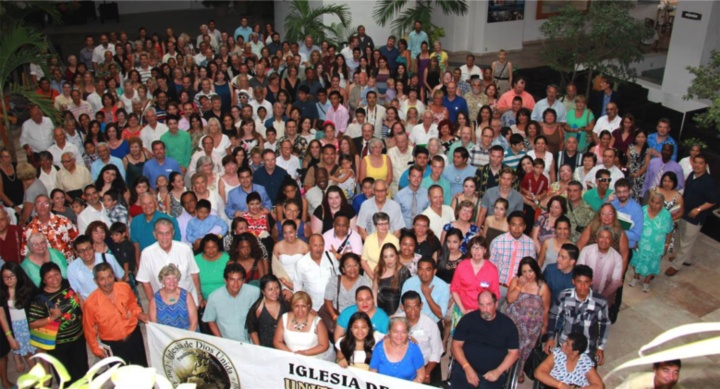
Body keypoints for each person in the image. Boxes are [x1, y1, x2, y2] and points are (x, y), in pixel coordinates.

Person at [28, 263, 87, 383]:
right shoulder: (40, 299)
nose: (55, 279)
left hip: (79, 338)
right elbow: (32, 323)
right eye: (50, 277)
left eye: (56, 274)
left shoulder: (68, 286)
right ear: (44, 280)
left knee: (83, 370)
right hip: (59, 345)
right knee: (65, 376)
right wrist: (52, 317)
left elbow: (79, 300)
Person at [450, 290, 520, 389]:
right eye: (481, 305)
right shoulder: (468, 320)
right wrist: (466, 367)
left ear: (496, 304)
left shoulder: (508, 325)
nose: (485, 309)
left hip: (493, 374)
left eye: (488, 305)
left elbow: (514, 353)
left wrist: (498, 371)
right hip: (465, 368)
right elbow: (455, 345)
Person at [82, 263, 148, 366]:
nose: (107, 282)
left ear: (114, 276)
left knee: (143, 371)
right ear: (96, 281)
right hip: (113, 345)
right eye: (102, 279)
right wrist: (96, 349)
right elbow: (89, 329)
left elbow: (132, 305)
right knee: (120, 377)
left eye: (109, 277)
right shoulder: (90, 303)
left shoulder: (125, 288)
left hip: (134, 337)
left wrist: (139, 314)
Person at [545, 265, 610, 365]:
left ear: (591, 282)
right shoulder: (564, 296)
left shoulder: (600, 302)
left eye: (586, 282)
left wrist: (600, 347)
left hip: (587, 348)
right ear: (573, 281)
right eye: (579, 282)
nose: (583, 286)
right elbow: (554, 315)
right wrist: (550, 337)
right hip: (564, 343)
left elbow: (604, 324)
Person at [665, 154, 717, 275]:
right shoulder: (691, 176)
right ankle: (685, 259)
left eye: (701, 163)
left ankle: (676, 265)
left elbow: (713, 201)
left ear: (706, 165)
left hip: (695, 218)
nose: (697, 165)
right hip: (684, 213)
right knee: (683, 238)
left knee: (687, 241)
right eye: (695, 162)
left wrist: (698, 209)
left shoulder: (708, 182)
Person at [505, 257, 551, 383]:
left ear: (536, 270)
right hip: (513, 322)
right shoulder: (516, 281)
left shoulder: (542, 287)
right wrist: (519, 286)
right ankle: (505, 367)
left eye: (530, 271)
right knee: (509, 347)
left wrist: (544, 327)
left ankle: (519, 371)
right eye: (524, 271)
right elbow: (509, 300)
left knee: (524, 350)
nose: (527, 275)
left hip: (531, 326)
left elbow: (546, 309)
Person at [136, 218, 202, 305]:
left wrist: (198, 294)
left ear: (173, 233)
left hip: (188, 302)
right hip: (162, 304)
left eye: (168, 233)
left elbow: (194, 273)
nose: (164, 237)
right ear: (155, 235)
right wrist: (154, 304)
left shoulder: (185, 249)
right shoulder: (147, 254)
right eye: (161, 234)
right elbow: (145, 282)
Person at [450, 236, 500, 330]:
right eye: (474, 247)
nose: (477, 251)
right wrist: (463, 310)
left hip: (482, 312)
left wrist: (488, 313)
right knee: (459, 339)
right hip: (462, 308)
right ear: (470, 250)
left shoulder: (492, 269)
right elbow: (454, 289)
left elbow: (495, 295)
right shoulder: (462, 266)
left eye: (480, 248)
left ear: (485, 250)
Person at [203, 263, 261, 342]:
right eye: (232, 279)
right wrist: (221, 341)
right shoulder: (214, 297)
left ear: (244, 280)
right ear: (225, 280)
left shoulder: (255, 292)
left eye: (239, 279)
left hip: (251, 343)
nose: (236, 284)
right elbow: (210, 320)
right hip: (228, 344)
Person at [629, 192, 673, 293]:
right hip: (641, 243)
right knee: (636, 259)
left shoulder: (666, 216)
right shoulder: (642, 210)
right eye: (652, 201)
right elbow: (634, 226)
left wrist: (666, 245)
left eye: (657, 203)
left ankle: (647, 281)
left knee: (653, 263)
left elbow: (669, 231)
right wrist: (634, 240)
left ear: (662, 204)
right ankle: (636, 277)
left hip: (656, 246)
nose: (654, 205)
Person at [0, 262, 37, 375]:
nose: (9, 280)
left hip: (30, 326)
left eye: (12, 276)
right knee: (27, 354)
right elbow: (2, 316)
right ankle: (38, 378)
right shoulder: (2, 292)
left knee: (37, 353)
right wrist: (10, 337)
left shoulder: (29, 289)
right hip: (15, 328)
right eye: (5, 277)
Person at [489, 211, 536, 301]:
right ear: (509, 225)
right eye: (513, 225)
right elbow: (491, 267)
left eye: (520, 225)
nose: (517, 229)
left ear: (525, 227)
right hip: (499, 286)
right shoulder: (498, 242)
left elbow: (531, 269)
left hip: (519, 288)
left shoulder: (530, 244)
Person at [274, 291, 331, 359]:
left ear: (309, 306)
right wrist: (292, 355)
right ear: (292, 306)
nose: (300, 310)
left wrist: (304, 353)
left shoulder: (318, 322)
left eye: (303, 306)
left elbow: (324, 345)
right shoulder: (284, 318)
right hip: (289, 359)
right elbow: (277, 341)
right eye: (297, 306)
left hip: (313, 361)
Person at [535, 332, 604, 389]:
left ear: (575, 352)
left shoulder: (585, 362)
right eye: (565, 341)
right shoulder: (557, 354)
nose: (563, 344)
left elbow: (599, 386)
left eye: (567, 344)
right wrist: (561, 386)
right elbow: (539, 373)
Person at [67, 234, 124, 301]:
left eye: (88, 249)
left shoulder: (108, 258)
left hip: (114, 300)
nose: (86, 253)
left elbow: (120, 280)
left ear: (93, 246)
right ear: (76, 252)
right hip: (92, 306)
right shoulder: (72, 268)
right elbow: (78, 295)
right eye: (81, 251)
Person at [369, 316, 426, 383]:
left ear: (407, 333)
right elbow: (372, 374)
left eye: (403, 332)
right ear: (389, 331)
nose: (399, 336)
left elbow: (421, 375)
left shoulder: (414, 348)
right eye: (395, 332)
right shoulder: (379, 348)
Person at [323, 253, 371, 327]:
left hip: (358, 320)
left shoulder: (364, 282)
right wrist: (335, 316)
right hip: (338, 318)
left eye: (355, 265)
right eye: (348, 266)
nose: (352, 269)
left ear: (359, 266)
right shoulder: (335, 280)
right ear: (343, 269)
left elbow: (368, 304)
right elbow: (328, 301)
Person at [149, 264, 198, 331]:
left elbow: (194, 322)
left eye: (174, 278)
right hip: (165, 338)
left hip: (188, 335)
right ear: (162, 281)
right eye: (168, 278)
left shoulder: (187, 296)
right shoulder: (155, 299)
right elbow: (154, 325)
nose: (172, 281)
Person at [401, 257, 450, 323]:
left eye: (427, 270)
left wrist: (428, 296)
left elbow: (440, 315)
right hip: (410, 322)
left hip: (433, 324)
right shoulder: (409, 283)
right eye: (420, 269)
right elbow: (402, 308)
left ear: (434, 271)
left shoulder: (443, 286)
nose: (423, 273)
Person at [247, 275, 290, 348]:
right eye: (270, 289)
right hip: (266, 350)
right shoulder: (257, 308)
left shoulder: (285, 305)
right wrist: (258, 348)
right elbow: (252, 330)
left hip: (284, 348)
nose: (275, 292)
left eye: (277, 288)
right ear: (263, 291)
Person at [373, 243, 411, 316]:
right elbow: (374, 289)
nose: (389, 260)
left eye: (391, 256)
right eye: (385, 257)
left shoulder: (404, 272)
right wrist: (375, 308)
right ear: (382, 258)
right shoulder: (379, 269)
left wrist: (396, 314)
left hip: (396, 311)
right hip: (379, 309)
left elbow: (406, 295)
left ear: (396, 256)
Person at [361, 212, 400, 280]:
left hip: (387, 278)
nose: (384, 227)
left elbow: (397, 262)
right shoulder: (369, 239)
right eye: (381, 224)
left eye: (386, 223)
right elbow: (363, 261)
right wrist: (373, 277)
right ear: (375, 226)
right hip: (369, 276)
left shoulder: (395, 241)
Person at [617, 359, 684, 389]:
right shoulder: (636, 383)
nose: (671, 377)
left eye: (676, 372)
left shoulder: (675, 386)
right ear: (655, 369)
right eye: (666, 371)